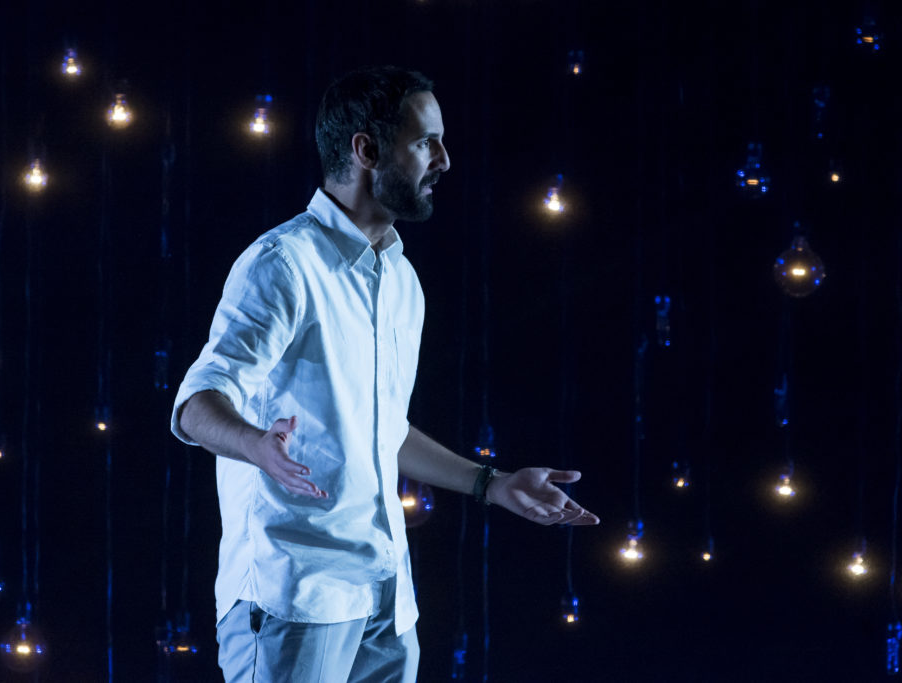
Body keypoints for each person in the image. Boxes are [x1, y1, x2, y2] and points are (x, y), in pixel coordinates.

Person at [170, 65, 599, 683]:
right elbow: (195, 404)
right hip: (296, 595)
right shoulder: (282, 264)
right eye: (426, 141)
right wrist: (255, 445)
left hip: (385, 597)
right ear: (366, 150)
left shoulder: (401, 280)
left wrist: (494, 484)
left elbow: (383, 432)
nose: (445, 159)